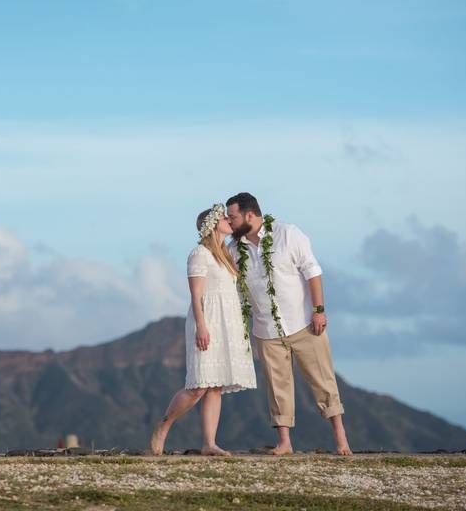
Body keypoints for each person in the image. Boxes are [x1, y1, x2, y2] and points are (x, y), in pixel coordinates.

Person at [225, 192, 352, 456]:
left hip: (304, 324)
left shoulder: (288, 234)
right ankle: (285, 443)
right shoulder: (233, 250)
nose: (230, 222)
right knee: (277, 387)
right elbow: (234, 290)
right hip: (265, 330)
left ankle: (341, 440)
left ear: (250, 215)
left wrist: (319, 310)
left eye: (233, 217)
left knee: (323, 381)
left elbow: (312, 271)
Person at [149, 202, 257, 456]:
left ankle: (209, 443)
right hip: (207, 321)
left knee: (216, 385)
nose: (229, 221)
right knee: (198, 386)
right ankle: (164, 425)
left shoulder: (226, 255)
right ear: (211, 226)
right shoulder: (199, 254)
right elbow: (196, 295)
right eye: (223, 218)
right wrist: (201, 326)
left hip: (227, 323)